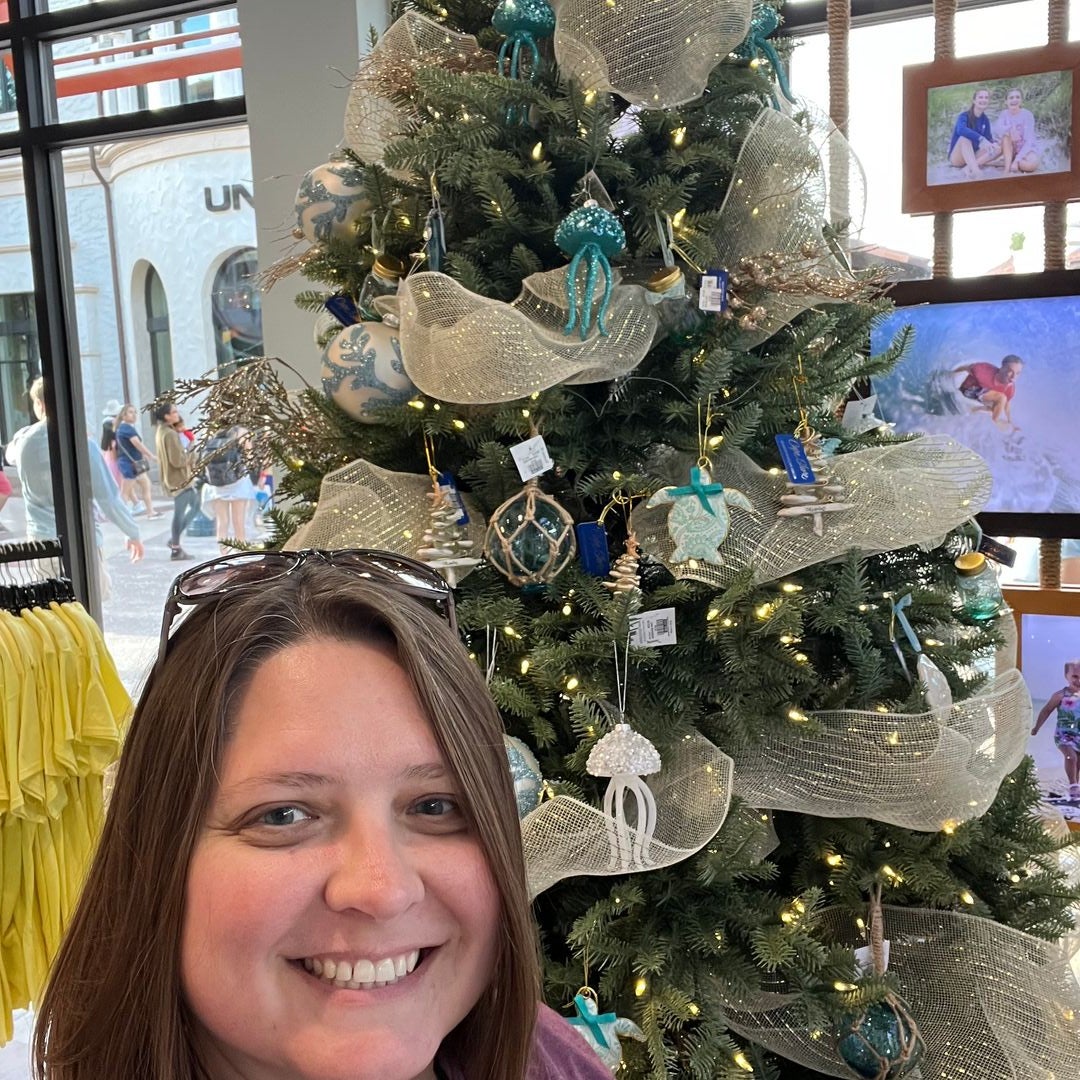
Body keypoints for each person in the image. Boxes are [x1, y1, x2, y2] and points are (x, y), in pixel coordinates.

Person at [32, 550, 612, 1080]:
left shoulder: (549, 1060)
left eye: (435, 806)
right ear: (158, 858)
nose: (383, 891)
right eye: (284, 816)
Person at [5, 377, 144, 574]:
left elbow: (9, 455)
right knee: (89, 593)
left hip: (41, 541)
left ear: (40, 403)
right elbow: (108, 497)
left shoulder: (22, 441)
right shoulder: (82, 445)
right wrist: (132, 532)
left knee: (49, 594)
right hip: (82, 540)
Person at [201, 423, 257, 554]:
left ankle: (223, 554)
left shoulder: (210, 431)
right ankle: (240, 552)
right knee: (238, 521)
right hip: (238, 481)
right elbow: (250, 456)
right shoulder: (241, 431)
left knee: (222, 522)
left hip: (217, 482)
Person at [153, 402, 199, 561]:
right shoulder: (170, 434)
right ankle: (176, 547)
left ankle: (175, 541)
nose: (177, 414)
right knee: (180, 513)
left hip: (176, 479)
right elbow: (178, 461)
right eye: (174, 412)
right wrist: (192, 451)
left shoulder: (162, 431)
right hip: (179, 480)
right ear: (166, 416)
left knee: (196, 505)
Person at [1031, 659, 1080, 803]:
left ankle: (1074, 790)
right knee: (1071, 757)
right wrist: (1036, 727)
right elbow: (1046, 711)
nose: (1078, 680)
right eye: (1075, 676)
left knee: (1078, 761)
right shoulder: (1060, 695)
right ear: (1066, 676)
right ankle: (1073, 785)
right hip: (1063, 735)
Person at [115, 402, 162, 519]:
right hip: (130, 465)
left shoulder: (123, 428)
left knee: (145, 485)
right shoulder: (126, 428)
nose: (134, 415)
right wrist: (150, 455)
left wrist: (144, 455)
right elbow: (137, 444)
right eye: (130, 412)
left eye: (135, 412)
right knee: (126, 492)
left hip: (133, 463)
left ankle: (150, 512)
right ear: (123, 415)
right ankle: (122, 516)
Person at [951, 354, 1023, 431]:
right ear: (1002, 368)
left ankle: (974, 410)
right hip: (968, 390)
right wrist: (950, 374)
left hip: (980, 397)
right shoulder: (983, 370)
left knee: (998, 406)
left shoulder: (1010, 388)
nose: (1014, 377)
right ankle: (994, 423)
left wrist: (1010, 422)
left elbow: (1006, 404)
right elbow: (966, 368)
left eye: (1017, 373)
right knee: (1001, 398)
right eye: (1010, 371)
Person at [948, 88, 1000, 180]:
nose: (983, 100)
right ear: (974, 100)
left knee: (998, 148)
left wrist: (994, 143)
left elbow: (988, 138)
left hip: (973, 155)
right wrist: (981, 138)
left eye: (986, 98)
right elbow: (961, 130)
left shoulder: (985, 120)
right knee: (964, 139)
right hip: (957, 158)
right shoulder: (964, 116)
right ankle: (977, 172)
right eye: (981, 97)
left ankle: (968, 168)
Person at [994, 86, 1040, 174]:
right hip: (1010, 148)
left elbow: (1029, 141)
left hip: (1026, 149)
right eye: (1011, 98)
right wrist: (1010, 129)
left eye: (1017, 97)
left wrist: (1017, 160)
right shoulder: (1004, 114)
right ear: (1006, 101)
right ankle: (1006, 169)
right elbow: (997, 129)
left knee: (1031, 165)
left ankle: (1013, 162)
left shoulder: (1027, 115)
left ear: (1021, 100)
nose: (1014, 100)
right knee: (1006, 135)